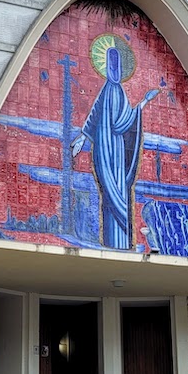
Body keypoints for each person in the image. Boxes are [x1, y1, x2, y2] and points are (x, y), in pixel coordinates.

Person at [71, 45, 158, 249]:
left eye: (116, 65)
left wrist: (84, 136)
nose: (114, 69)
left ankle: (120, 242)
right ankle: (114, 242)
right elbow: (112, 119)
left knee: (118, 191)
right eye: (112, 65)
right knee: (111, 193)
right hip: (108, 150)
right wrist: (144, 102)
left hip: (116, 150)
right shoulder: (110, 91)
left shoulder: (115, 91)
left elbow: (118, 121)